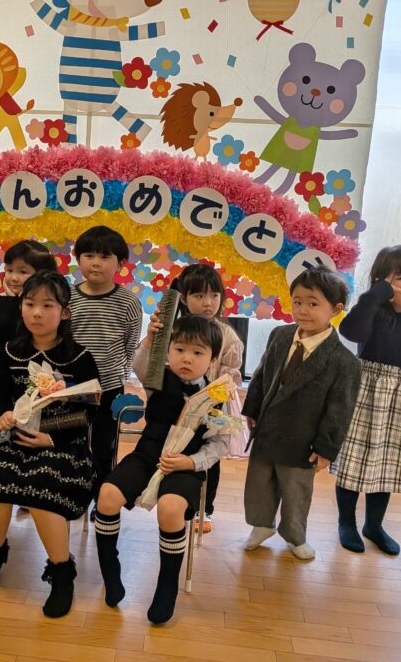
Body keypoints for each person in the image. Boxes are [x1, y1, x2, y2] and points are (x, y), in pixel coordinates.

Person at [0, 271, 100, 618]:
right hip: (12, 438)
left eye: (47, 305)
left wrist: (50, 436)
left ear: (65, 312)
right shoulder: (6, 351)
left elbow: (88, 412)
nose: (36, 313)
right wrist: (1, 416)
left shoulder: (80, 358)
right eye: (29, 304)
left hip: (62, 445)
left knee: (43, 485)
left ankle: (61, 572)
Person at [94, 315, 227, 625]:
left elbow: (219, 444)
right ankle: (110, 572)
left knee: (170, 509)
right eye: (179, 349)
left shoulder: (217, 395)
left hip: (186, 464)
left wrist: (191, 463)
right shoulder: (158, 377)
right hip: (147, 454)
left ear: (212, 359)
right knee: (107, 495)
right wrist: (151, 338)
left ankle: (167, 586)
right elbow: (139, 365)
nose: (186, 358)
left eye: (197, 352)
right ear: (168, 350)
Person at [330, 245, 401, 556]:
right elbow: (350, 331)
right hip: (367, 394)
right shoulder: (375, 316)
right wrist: (376, 295)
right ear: (383, 284)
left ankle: (374, 525)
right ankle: (346, 522)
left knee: (386, 465)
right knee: (354, 460)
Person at [241, 266, 361, 560]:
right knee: (259, 483)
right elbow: (262, 374)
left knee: (296, 491)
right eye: (297, 302)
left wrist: (326, 449)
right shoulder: (280, 335)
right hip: (267, 429)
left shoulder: (344, 362)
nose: (303, 310)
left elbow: (340, 410)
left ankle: (295, 535)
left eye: (313, 303)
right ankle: (261, 524)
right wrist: (252, 408)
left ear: (335, 309)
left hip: (302, 440)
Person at [133, 263, 246, 532]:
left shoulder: (227, 335)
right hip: (173, 404)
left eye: (214, 295)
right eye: (199, 295)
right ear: (184, 298)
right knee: (170, 451)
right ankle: (166, 494)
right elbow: (152, 367)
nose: (208, 303)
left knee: (209, 459)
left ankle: (205, 510)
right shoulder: (172, 329)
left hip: (209, 407)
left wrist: (212, 395)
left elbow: (231, 374)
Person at [68, 226, 142, 513]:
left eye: (104, 256)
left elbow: (130, 344)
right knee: (72, 441)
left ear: (120, 264)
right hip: (73, 387)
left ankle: (102, 499)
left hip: (110, 387)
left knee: (104, 445)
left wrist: (120, 374)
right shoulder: (68, 298)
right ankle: (74, 494)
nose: (95, 263)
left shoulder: (128, 302)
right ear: (78, 259)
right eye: (88, 255)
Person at [0, 239, 57, 343]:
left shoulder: (48, 303)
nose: (14, 278)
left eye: (23, 272)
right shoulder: (2, 300)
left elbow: (24, 333)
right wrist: (11, 300)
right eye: (9, 270)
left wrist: (17, 302)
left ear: (42, 274)